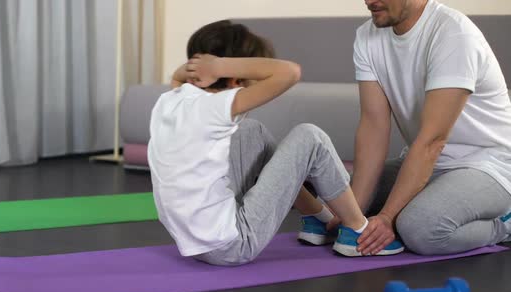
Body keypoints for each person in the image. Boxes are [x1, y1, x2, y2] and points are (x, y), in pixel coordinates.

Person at [147, 20, 404, 266]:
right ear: (235, 79)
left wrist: (202, 66)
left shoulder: (169, 100)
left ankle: (316, 217)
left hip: (194, 245)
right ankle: (358, 230)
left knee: (250, 130)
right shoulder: (215, 107)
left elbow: (177, 77)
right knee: (310, 137)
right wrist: (220, 65)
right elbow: (290, 72)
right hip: (233, 245)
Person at [347, 0, 511, 256]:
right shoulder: (366, 36)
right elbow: (373, 126)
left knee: (418, 228)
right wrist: (352, 212)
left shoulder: (454, 34)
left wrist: (388, 216)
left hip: (488, 166)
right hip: (429, 161)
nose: (368, 1)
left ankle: (505, 224)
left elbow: (433, 140)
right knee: (340, 196)